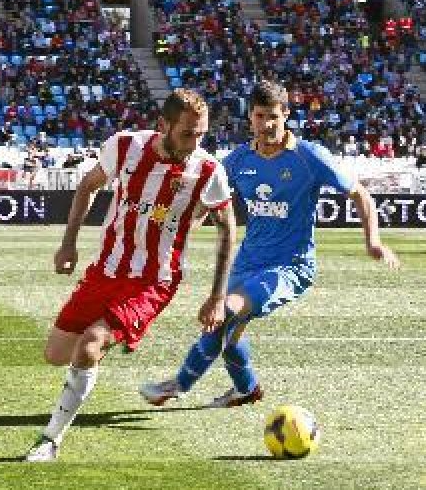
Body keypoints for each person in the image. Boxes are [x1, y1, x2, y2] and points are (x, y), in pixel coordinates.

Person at [139, 81, 399, 410]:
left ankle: (177, 384)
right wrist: (182, 225)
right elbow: (208, 201)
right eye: (260, 116)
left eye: (274, 116)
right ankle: (247, 389)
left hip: (289, 267)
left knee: (226, 311)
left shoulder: (309, 157)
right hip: (247, 262)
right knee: (230, 336)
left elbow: (360, 194)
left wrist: (373, 241)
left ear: (286, 115)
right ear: (250, 117)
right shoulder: (238, 159)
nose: (267, 124)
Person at [25, 89, 236, 462]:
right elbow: (88, 186)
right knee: (56, 354)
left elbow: (228, 227)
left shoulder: (206, 170)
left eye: (201, 134)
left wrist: (217, 295)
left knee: (89, 344)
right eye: (188, 133)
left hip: (154, 280)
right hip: (104, 270)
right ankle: (105, 343)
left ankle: (50, 439)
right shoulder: (124, 147)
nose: (195, 142)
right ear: (163, 125)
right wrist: (69, 243)